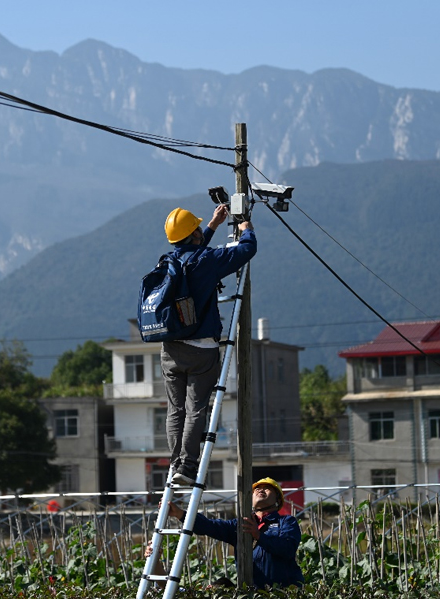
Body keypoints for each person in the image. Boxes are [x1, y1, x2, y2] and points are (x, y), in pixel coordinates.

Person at [161, 204, 256, 486]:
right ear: (194, 234)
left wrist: (213, 225)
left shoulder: (167, 261)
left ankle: (175, 461)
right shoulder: (207, 260)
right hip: (201, 349)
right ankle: (188, 467)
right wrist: (246, 231)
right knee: (196, 409)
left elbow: (193, 256)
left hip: (169, 348)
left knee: (175, 410)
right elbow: (245, 251)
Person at [163, 477, 304, 588]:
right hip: (252, 593)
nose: (261, 490)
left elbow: (287, 548)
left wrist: (259, 536)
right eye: (257, 489)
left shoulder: (286, 522)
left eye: (267, 488)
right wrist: (180, 514)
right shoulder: (240, 524)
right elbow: (209, 526)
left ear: (278, 500)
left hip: (283, 592)